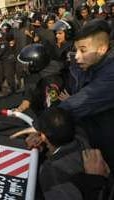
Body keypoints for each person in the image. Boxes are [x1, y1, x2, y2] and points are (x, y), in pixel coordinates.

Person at [57, 19, 114, 171]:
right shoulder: (86, 66)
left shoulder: (110, 74)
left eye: (83, 50)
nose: (76, 57)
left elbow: (85, 98)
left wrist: (45, 125)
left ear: (101, 49)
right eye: (76, 50)